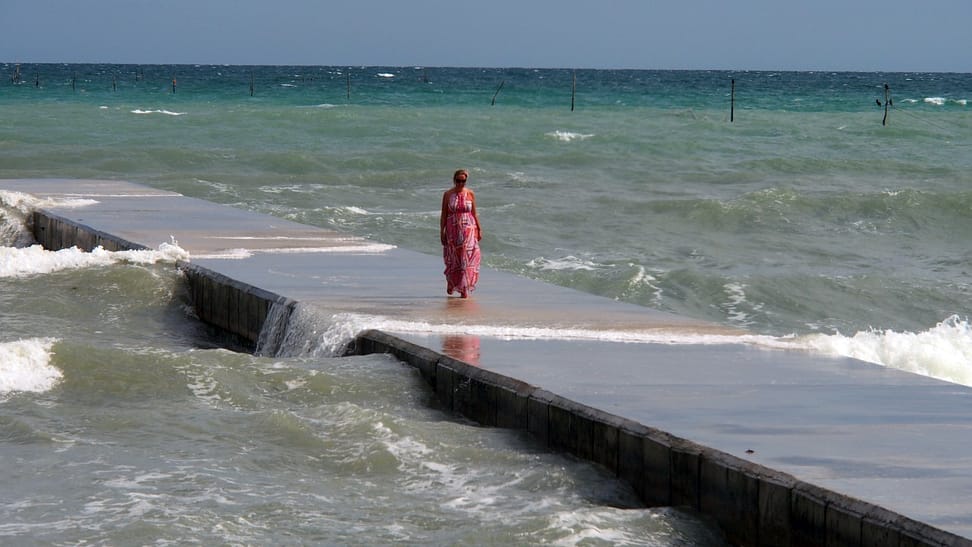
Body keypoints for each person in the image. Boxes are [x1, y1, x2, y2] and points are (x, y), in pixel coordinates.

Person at [440, 169, 482, 298]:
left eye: (463, 181)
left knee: (466, 258)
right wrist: (442, 232)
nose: (460, 183)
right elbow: (444, 215)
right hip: (453, 230)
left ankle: (464, 288)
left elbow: (474, 213)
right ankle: (451, 282)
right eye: (458, 181)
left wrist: (479, 229)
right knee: (454, 258)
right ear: (454, 180)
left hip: (468, 230)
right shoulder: (448, 194)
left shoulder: (470, 193)